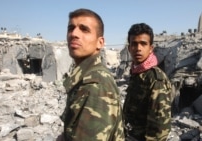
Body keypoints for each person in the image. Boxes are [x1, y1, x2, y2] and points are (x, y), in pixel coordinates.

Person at [57, 8, 124, 141]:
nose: (74, 34)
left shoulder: (95, 82)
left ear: (100, 43)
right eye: (71, 28)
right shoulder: (85, 75)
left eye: (84, 29)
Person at [123, 23, 172, 141]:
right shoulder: (137, 73)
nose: (138, 48)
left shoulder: (155, 78)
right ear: (129, 48)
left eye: (143, 44)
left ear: (151, 48)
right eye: (134, 44)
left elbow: (160, 128)